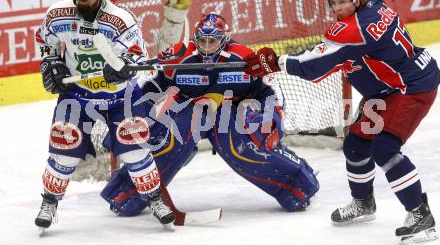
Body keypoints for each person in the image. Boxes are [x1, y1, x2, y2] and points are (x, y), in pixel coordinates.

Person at [243, 0, 439, 244]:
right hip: (389, 87)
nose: (337, 7)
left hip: (410, 88)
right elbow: (339, 58)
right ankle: (363, 203)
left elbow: (315, 67)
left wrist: (278, 61)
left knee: (385, 148)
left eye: (343, 0)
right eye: (333, 1)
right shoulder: (375, 5)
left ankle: (421, 215)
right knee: (356, 144)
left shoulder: (351, 31)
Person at [101, 12, 319, 216]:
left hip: (231, 114)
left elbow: (271, 90)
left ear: (223, 40)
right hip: (188, 112)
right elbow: (145, 82)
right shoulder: (179, 54)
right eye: (201, 41)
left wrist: (273, 118)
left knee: (241, 147)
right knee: (168, 144)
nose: (206, 47)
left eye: (212, 41)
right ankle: (127, 193)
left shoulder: (244, 57)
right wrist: (128, 117)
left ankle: (298, 183)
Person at [34, 0, 175, 231]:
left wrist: (122, 68)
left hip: (121, 96)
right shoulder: (57, 14)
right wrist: (50, 63)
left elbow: (137, 55)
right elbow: (44, 41)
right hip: (77, 95)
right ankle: (49, 202)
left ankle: (155, 200)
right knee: (64, 150)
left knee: (134, 150)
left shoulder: (120, 19)